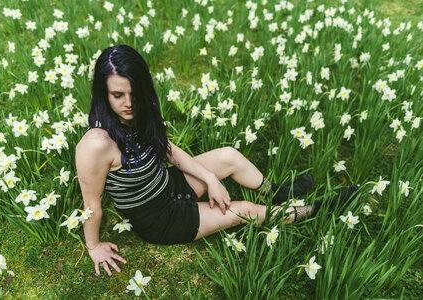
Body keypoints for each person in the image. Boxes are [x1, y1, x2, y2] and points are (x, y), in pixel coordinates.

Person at [75, 44, 359, 277]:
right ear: (103, 93)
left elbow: (166, 149)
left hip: (168, 184)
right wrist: (94, 245)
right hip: (159, 219)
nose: (129, 103)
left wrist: (210, 178)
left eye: (135, 94)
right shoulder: (97, 144)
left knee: (229, 156)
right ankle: (315, 210)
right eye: (118, 95)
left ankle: (278, 191)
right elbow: (92, 205)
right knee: (244, 209)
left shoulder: (136, 114)